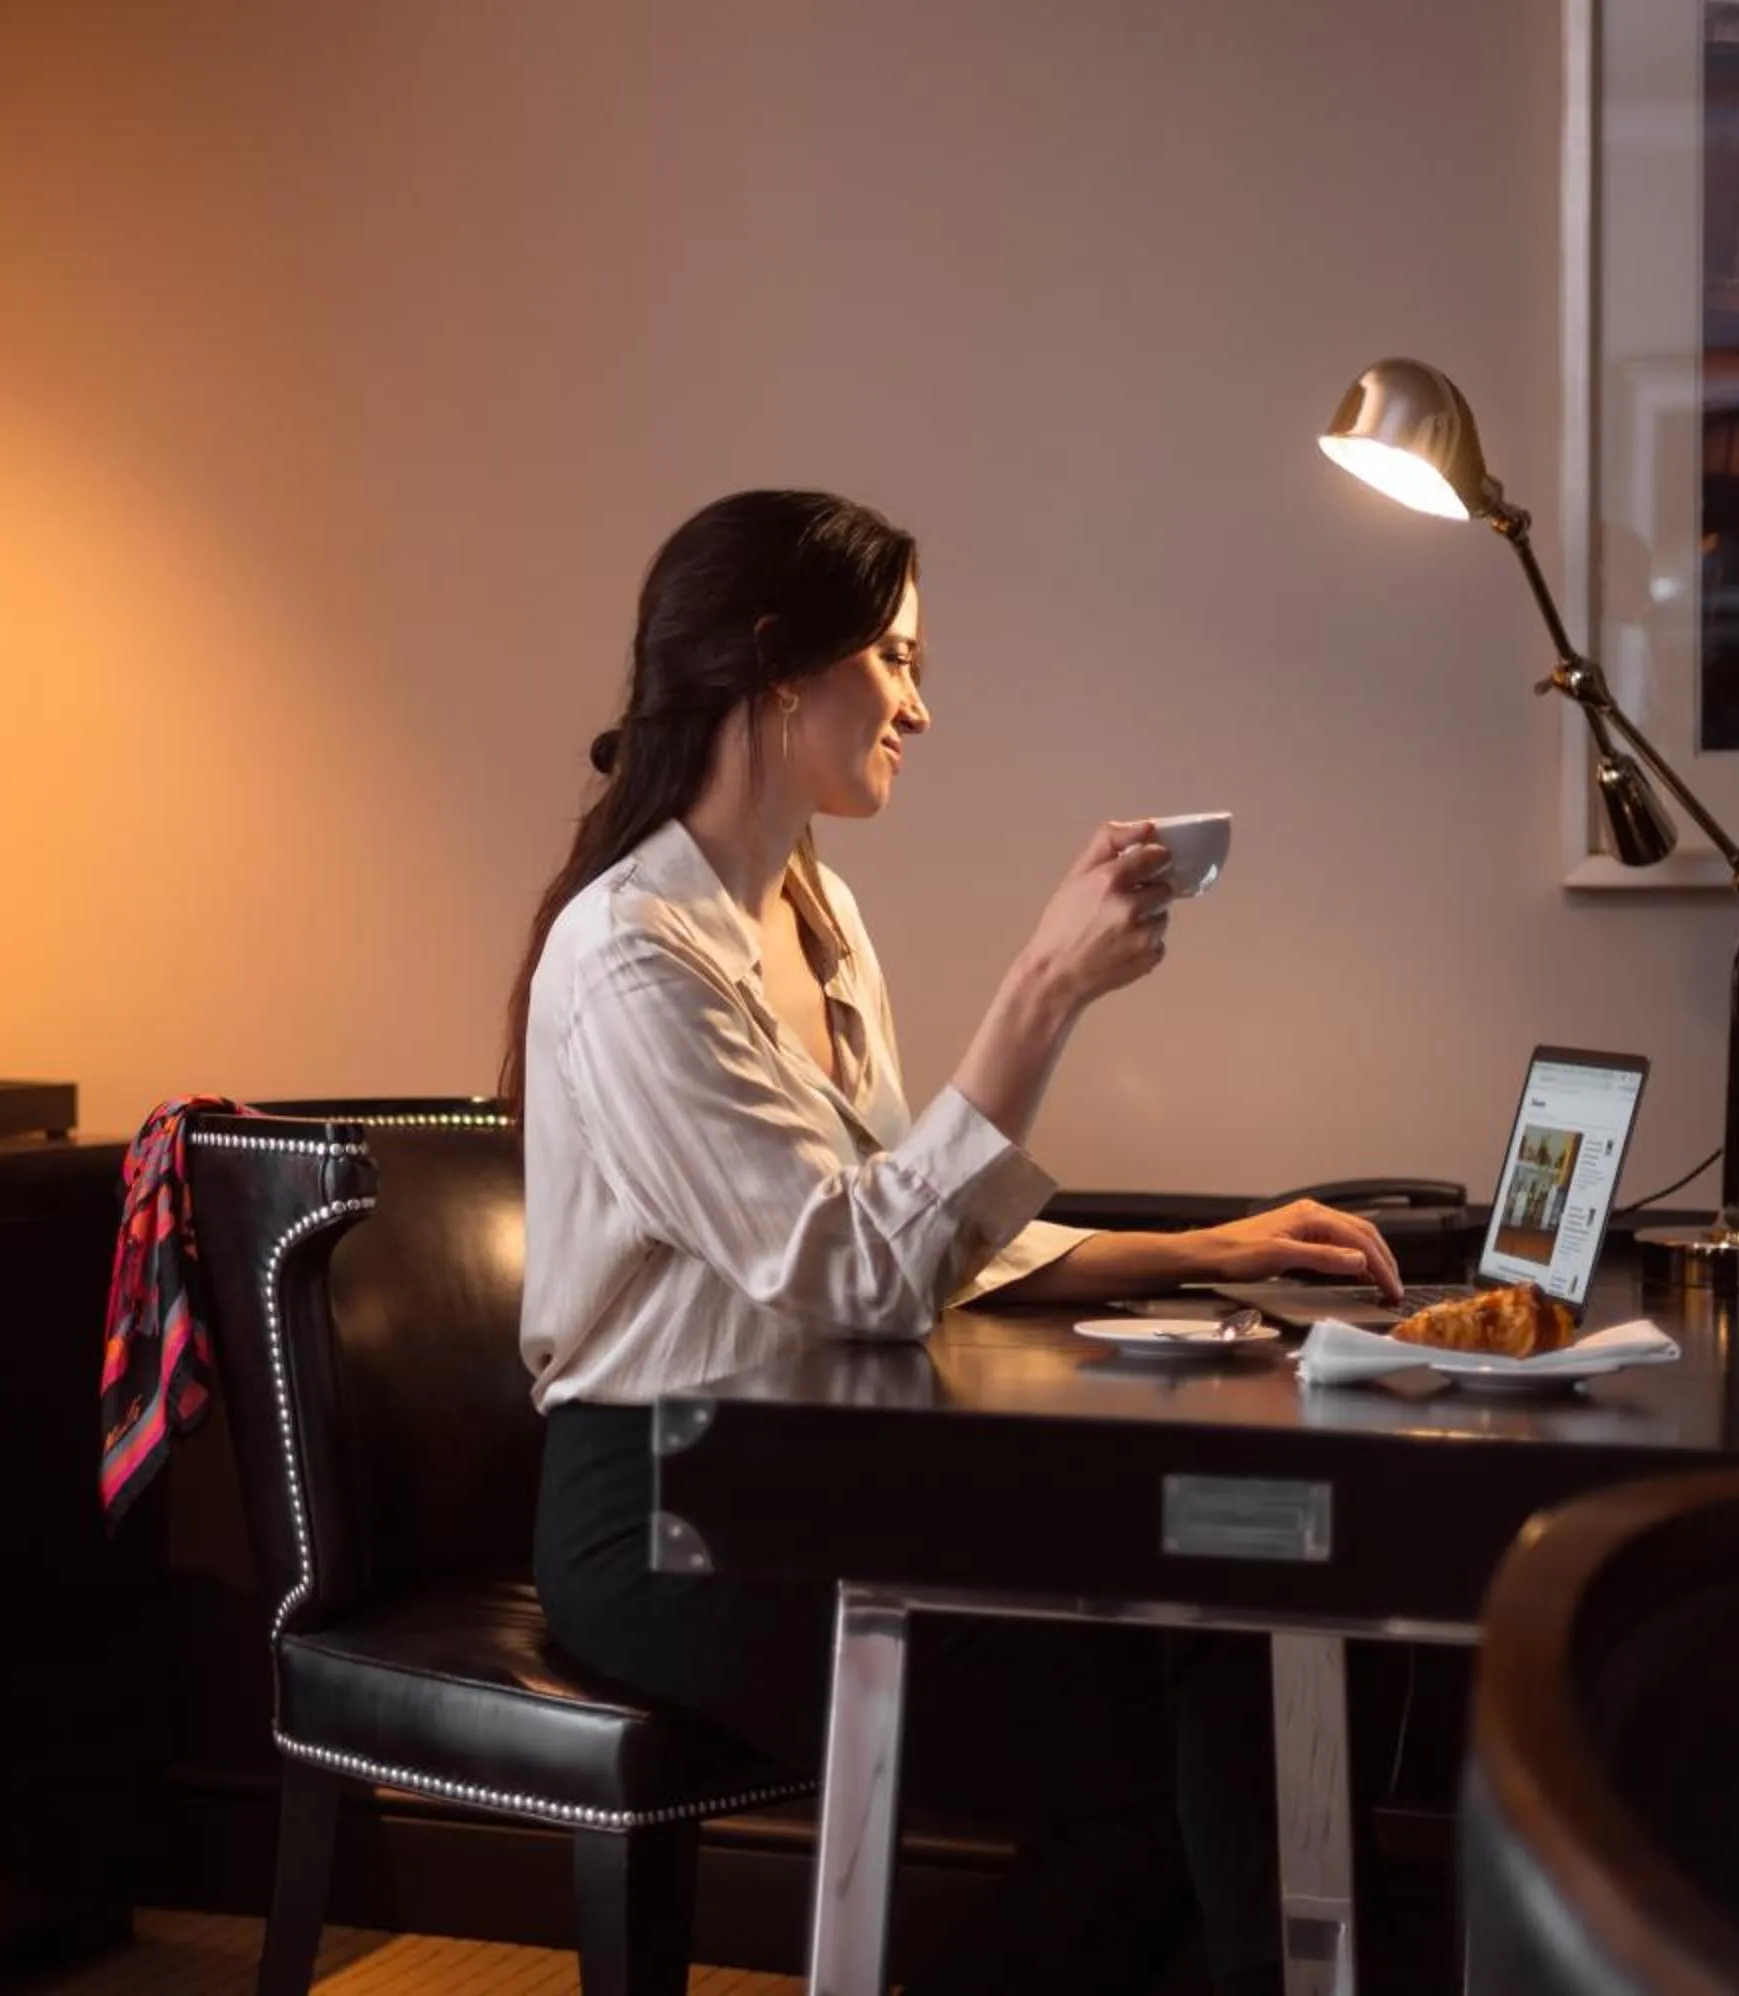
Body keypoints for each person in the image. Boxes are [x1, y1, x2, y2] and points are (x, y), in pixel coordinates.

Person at [504, 490, 1405, 1996]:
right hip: (667, 1512)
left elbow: (913, 1237)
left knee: (1252, 1639)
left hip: (831, 1473)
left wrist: (1211, 1246)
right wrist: (1043, 990)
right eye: (900, 658)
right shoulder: (628, 954)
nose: (920, 704)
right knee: (1168, 1760)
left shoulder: (821, 913)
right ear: (781, 662)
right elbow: (858, 1276)